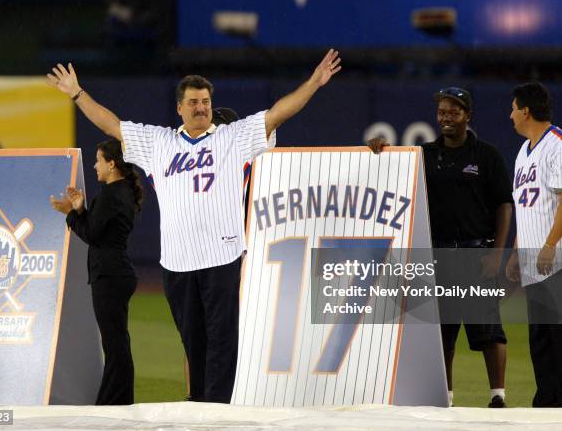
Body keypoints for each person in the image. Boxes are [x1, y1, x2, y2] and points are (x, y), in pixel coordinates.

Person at [46, 49, 341, 403]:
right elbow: (111, 124)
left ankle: (218, 413)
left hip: (222, 256)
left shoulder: (233, 137)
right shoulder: (160, 143)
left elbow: (279, 112)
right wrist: (78, 94)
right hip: (177, 263)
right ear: (179, 108)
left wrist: (314, 82)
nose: (201, 107)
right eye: (193, 102)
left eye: (205, 101)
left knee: (222, 343)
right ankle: (199, 407)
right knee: (193, 343)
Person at [368, 87, 513, 408]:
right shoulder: (426, 154)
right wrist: (380, 150)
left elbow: (504, 205)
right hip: (437, 255)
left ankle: (497, 396)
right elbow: (396, 169)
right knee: (442, 333)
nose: (446, 118)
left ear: (468, 116)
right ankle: (445, 397)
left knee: (488, 330)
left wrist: (497, 253)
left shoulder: (486, 155)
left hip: (477, 254)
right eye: (442, 112)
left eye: (454, 112)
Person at [50, 139, 143, 405]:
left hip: (110, 275)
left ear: (111, 164)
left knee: (115, 345)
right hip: (116, 273)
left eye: (98, 160)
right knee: (117, 343)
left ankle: (113, 403)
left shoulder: (111, 194)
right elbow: (99, 229)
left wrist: (71, 213)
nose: (94, 166)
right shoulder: (121, 191)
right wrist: (80, 209)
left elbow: (91, 234)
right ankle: (119, 401)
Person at [505, 82, 562, 407]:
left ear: (526, 110)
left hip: (555, 262)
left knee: (557, 341)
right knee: (539, 342)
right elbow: (525, 207)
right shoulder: (523, 152)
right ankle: (546, 407)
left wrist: (550, 244)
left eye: (513, 108)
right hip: (533, 264)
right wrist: (515, 252)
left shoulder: (556, 145)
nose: (510, 114)